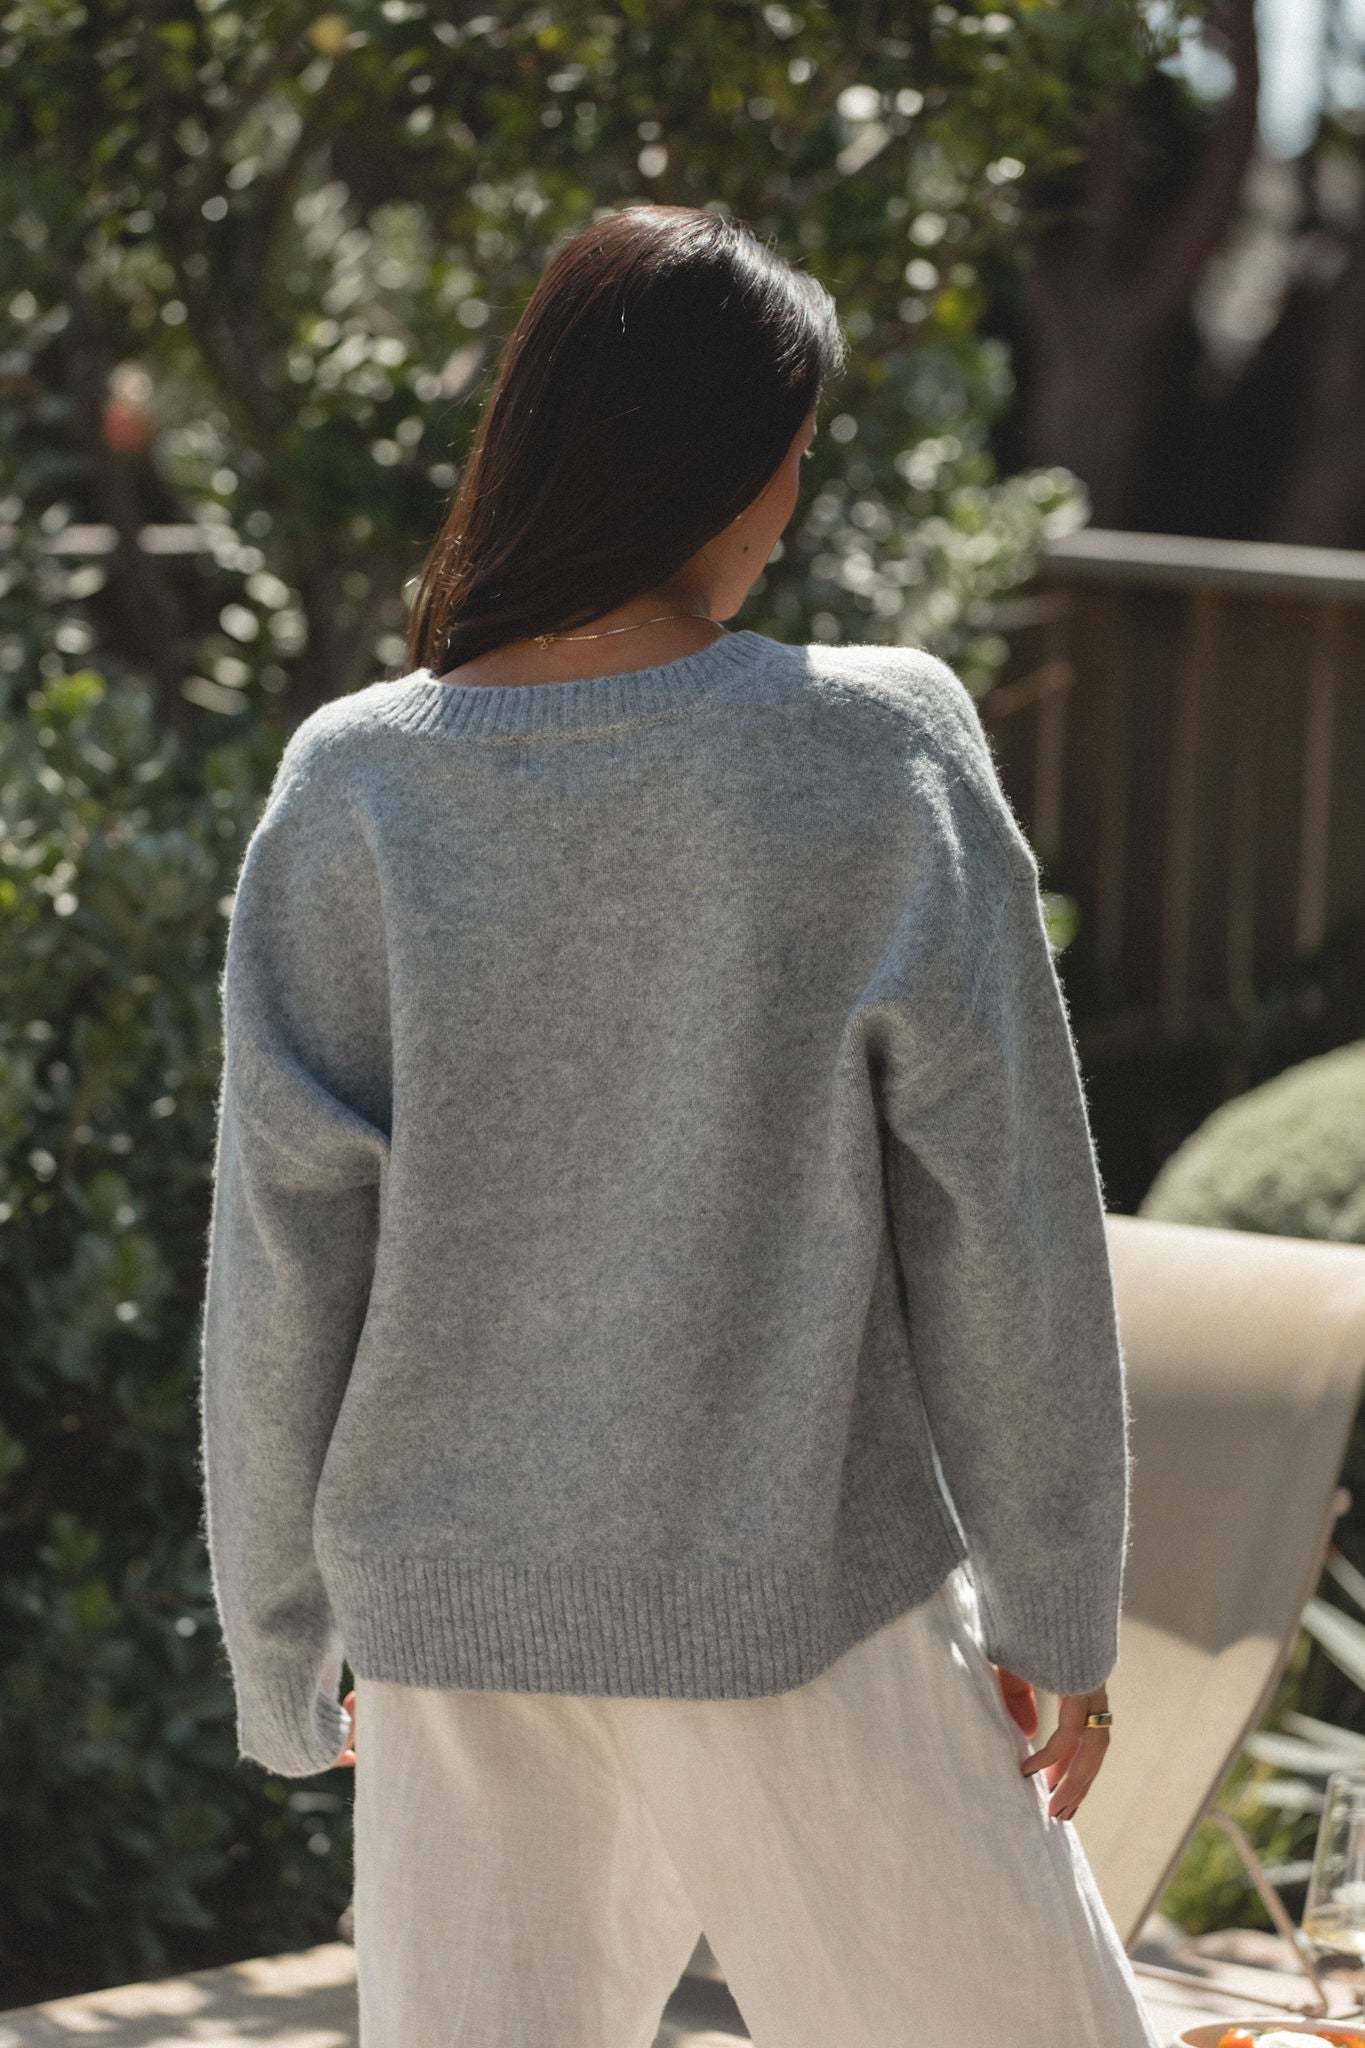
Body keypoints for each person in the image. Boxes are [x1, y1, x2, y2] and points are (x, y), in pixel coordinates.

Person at [198, 203, 1161, 2046]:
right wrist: (1060, 1608)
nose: (789, 506)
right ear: (718, 466)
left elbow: (282, 1255)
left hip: (452, 1632)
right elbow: (1006, 1220)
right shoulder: (872, 750)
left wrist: (279, 1628)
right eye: (789, 454)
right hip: (798, 1608)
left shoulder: (356, 787)